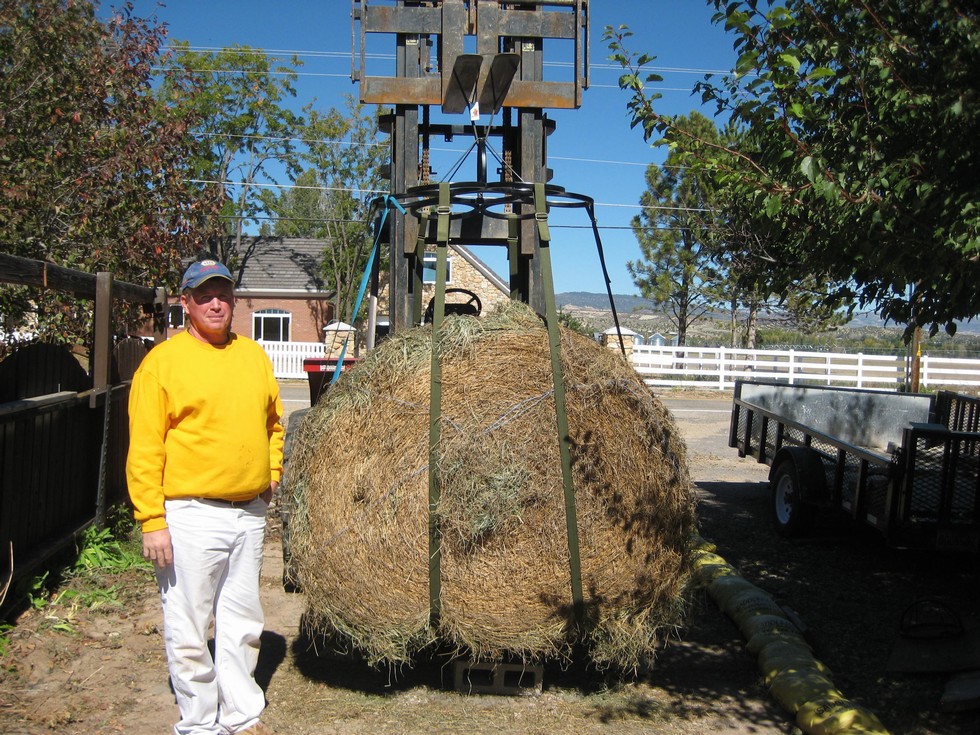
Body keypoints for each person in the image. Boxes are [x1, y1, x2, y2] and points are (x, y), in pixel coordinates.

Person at [127, 259, 284, 735]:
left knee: (242, 621)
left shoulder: (253, 356)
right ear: (186, 303)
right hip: (190, 514)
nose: (215, 304)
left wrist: (271, 474)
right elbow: (145, 447)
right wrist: (151, 520)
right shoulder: (163, 364)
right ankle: (198, 721)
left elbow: (273, 423)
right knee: (189, 625)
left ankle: (241, 713)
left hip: (248, 513)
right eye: (204, 296)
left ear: (234, 300)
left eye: (223, 294)